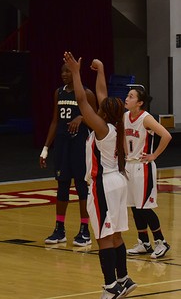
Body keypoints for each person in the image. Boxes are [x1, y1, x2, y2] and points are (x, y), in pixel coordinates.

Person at [64, 52, 137, 299]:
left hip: (103, 184)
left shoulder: (103, 129)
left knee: (104, 237)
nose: (99, 105)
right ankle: (124, 279)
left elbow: (82, 101)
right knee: (115, 234)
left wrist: (76, 73)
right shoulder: (117, 125)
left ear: (103, 113)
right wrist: (102, 70)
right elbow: (103, 95)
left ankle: (110, 287)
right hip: (117, 182)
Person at [40, 63, 97, 246]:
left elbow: (98, 119)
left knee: (82, 187)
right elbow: (55, 121)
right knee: (62, 186)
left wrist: (82, 117)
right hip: (63, 144)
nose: (64, 74)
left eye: (68, 71)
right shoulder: (59, 92)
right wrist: (46, 148)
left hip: (80, 145)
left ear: (75, 73)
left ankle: (84, 230)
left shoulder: (86, 94)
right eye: (62, 71)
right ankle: (59, 229)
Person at [124, 86, 172, 259]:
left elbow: (166, 135)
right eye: (127, 96)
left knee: (144, 207)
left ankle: (161, 242)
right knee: (135, 207)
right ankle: (144, 242)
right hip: (129, 165)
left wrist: (154, 155)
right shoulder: (125, 117)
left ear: (140, 103)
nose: (126, 98)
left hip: (142, 167)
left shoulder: (146, 118)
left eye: (130, 96)